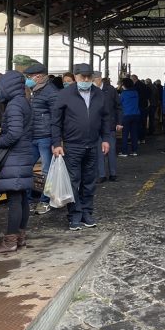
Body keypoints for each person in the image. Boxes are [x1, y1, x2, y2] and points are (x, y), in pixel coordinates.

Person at [51, 63, 112, 229]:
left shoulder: (99, 94)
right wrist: (56, 143)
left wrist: (106, 138)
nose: (85, 80)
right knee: (73, 181)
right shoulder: (65, 94)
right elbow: (55, 121)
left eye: (88, 77)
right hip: (72, 145)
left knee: (89, 181)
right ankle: (74, 215)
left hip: (93, 144)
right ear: (76, 77)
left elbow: (106, 118)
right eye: (82, 77)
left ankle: (87, 212)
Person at [0, 71, 35, 254]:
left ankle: (10, 241)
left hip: (14, 156)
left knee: (15, 198)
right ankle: (20, 237)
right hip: (23, 154)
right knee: (21, 197)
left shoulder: (14, 105)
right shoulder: (24, 102)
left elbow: (13, 133)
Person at [25, 63, 58, 214]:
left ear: (38, 77)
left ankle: (45, 201)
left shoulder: (50, 92)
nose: (28, 80)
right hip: (34, 135)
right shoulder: (35, 91)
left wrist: (57, 140)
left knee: (46, 171)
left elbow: (57, 117)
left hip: (46, 137)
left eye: (29, 77)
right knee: (26, 167)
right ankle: (29, 199)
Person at [96, 72, 122, 180]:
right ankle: (101, 175)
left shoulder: (110, 90)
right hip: (96, 126)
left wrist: (119, 122)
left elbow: (118, 106)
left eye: (94, 80)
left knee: (111, 150)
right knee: (99, 151)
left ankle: (113, 174)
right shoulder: (91, 90)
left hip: (109, 124)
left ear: (99, 79)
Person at [119, 78, 141, 156]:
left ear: (124, 85)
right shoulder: (136, 93)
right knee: (134, 134)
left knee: (125, 134)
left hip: (126, 115)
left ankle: (124, 152)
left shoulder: (123, 94)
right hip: (136, 114)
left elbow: (119, 104)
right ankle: (134, 151)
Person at [132, 74, 149, 144]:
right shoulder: (144, 85)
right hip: (144, 106)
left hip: (138, 106)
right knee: (143, 123)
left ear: (134, 79)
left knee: (138, 123)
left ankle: (138, 138)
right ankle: (143, 138)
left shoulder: (135, 86)